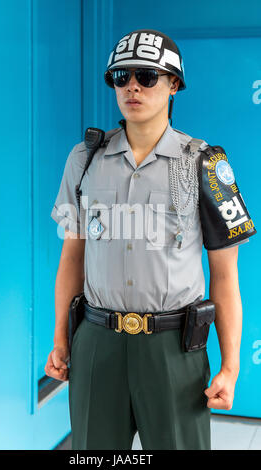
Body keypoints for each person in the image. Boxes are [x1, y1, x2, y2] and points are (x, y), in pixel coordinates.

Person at [45, 29, 257, 450]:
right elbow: (73, 255)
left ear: (174, 84)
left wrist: (231, 367)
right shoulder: (84, 159)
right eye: (120, 77)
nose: (132, 87)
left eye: (147, 75)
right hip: (97, 342)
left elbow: (225, 276)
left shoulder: (206, 164)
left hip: (171, 349)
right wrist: (60, 339)